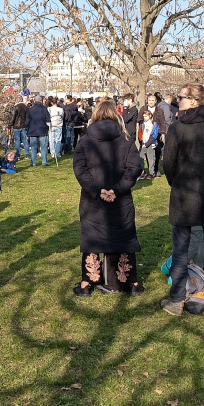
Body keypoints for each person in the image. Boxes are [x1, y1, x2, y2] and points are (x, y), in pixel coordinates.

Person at [161, 83, 204, 316]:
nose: (177, 101)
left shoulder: (180, 128)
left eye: (180, 98)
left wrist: (178, 183)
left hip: (188, 194)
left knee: (183, 250)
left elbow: (168, 164)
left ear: (194, 101)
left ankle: (178, 299)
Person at [72, 100, 144, 296]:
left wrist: (97, 190)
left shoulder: (85, 140)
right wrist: (117, 189)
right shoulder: (126, 139)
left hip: (92, 200)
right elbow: (135, 168)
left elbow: (80, 170)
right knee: (123, 237)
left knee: (92, 238)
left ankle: (88, 284)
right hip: (120, 199)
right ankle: (127, 282)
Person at [26, 95, 50, 167]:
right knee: (43, 147)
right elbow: (48, 119)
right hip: (42, 130)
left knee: (33, 147)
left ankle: (33, 163)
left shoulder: (30, 110)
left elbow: (27, 121)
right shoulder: (45, 109)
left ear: (34, 101)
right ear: (41, 101)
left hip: (32, 130)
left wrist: (27, 130)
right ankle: (44, 162)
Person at [138, 109, 160, 179]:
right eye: (144, 116)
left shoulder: (154, 124)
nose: (145, 118)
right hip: (143, 143)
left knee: (150, 158)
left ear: (150, 116)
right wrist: (142, 141)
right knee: (140, 157)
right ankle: (143, 172)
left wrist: (147, 144)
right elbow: (140, 133)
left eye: (146, 116)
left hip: (150, 143)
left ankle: (151, 173)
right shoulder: (142, 124)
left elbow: (154, 136)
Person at [9, 96, 29, 160]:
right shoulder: (26, 107)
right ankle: (27, 154)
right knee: (25, 140)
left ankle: (18, 155)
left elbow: (13, 116)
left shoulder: (16, 107)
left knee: (17, 141)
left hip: (16, 126)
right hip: (24, 125)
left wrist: (10, 125)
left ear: (17, 100)